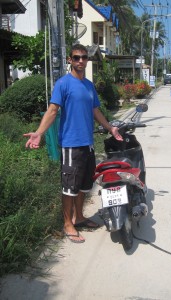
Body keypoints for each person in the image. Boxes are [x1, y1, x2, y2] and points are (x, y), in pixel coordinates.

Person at [24, 44, 123, 243]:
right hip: (71, 145)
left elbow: (95, 111)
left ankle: (79, 217)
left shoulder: (88, 85)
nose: (80, 61)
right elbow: (53, 110)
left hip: (88, 144)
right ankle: (68, 224)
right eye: (76, 57)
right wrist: (39, 133)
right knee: (69, 188)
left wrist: (110, 127)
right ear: (70, 60)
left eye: (84, 57)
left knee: (85, 185)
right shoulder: (63, 84)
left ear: (87, 60)